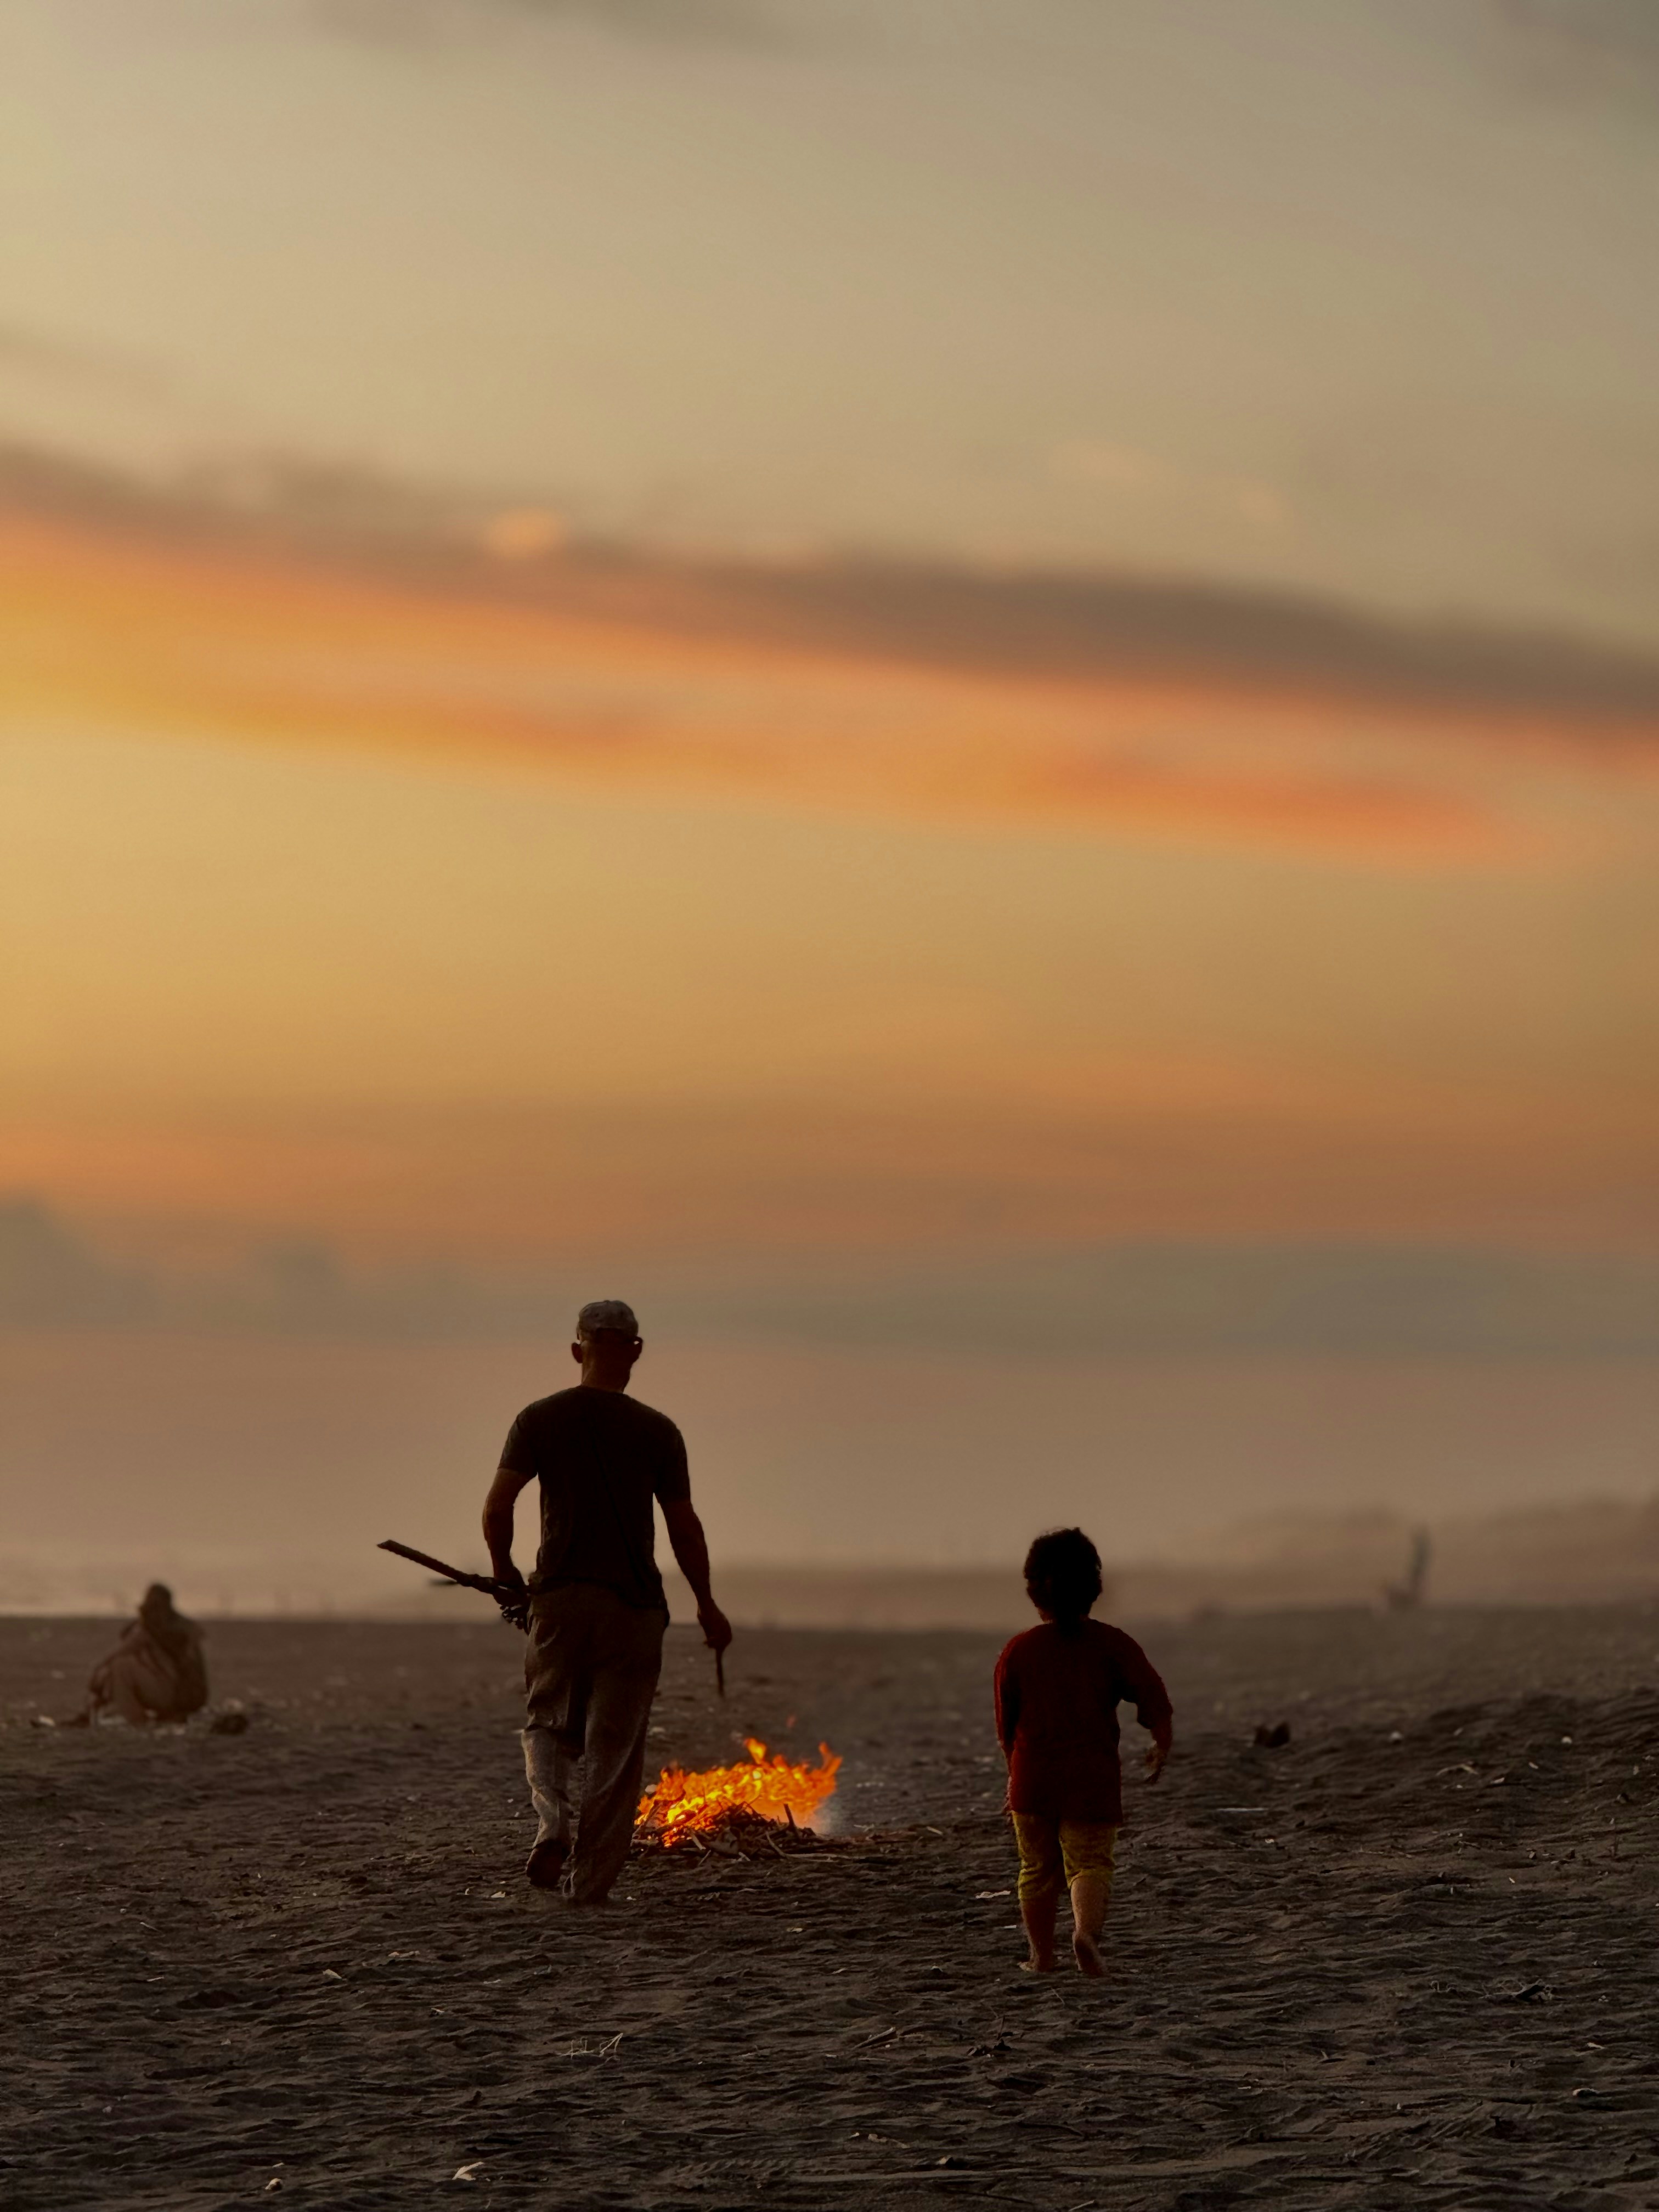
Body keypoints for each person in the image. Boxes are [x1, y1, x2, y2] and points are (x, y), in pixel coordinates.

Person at [482, 1299, 733, 1906]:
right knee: (615, 1752)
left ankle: (553, 1824)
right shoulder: (658, 1431)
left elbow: (498, 1506)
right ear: (636, 1351)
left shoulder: (539, 1419)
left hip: (560, 1599)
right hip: (635, 1609)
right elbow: (684, 1528)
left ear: (578, 1349)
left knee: (546, 1722)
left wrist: (505, 1573)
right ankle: (589, 1886)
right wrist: (707, 1604)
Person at [994, 1527, 1172, 1977]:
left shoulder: (1018, 1651)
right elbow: (1152, 1695)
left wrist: (1013, 1776)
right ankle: (1086, 1934)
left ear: (1036, 1592)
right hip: (1091, 1780)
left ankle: (1041, 1956)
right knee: (1090, 1862)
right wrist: (1161, 1740)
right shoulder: (1112, 1644)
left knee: (1036, 1869)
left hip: (1033, 1780)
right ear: (1093, 1588)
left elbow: (1006, 1726)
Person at [79, 1584, 209, 1726]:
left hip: (176, 1695)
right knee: (124, 1664)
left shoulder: (153, 1629)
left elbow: (123, 1650)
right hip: (186, 1697)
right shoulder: (182, 1627)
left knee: (121, 1667)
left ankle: (136, 1719)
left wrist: (98, 1669)